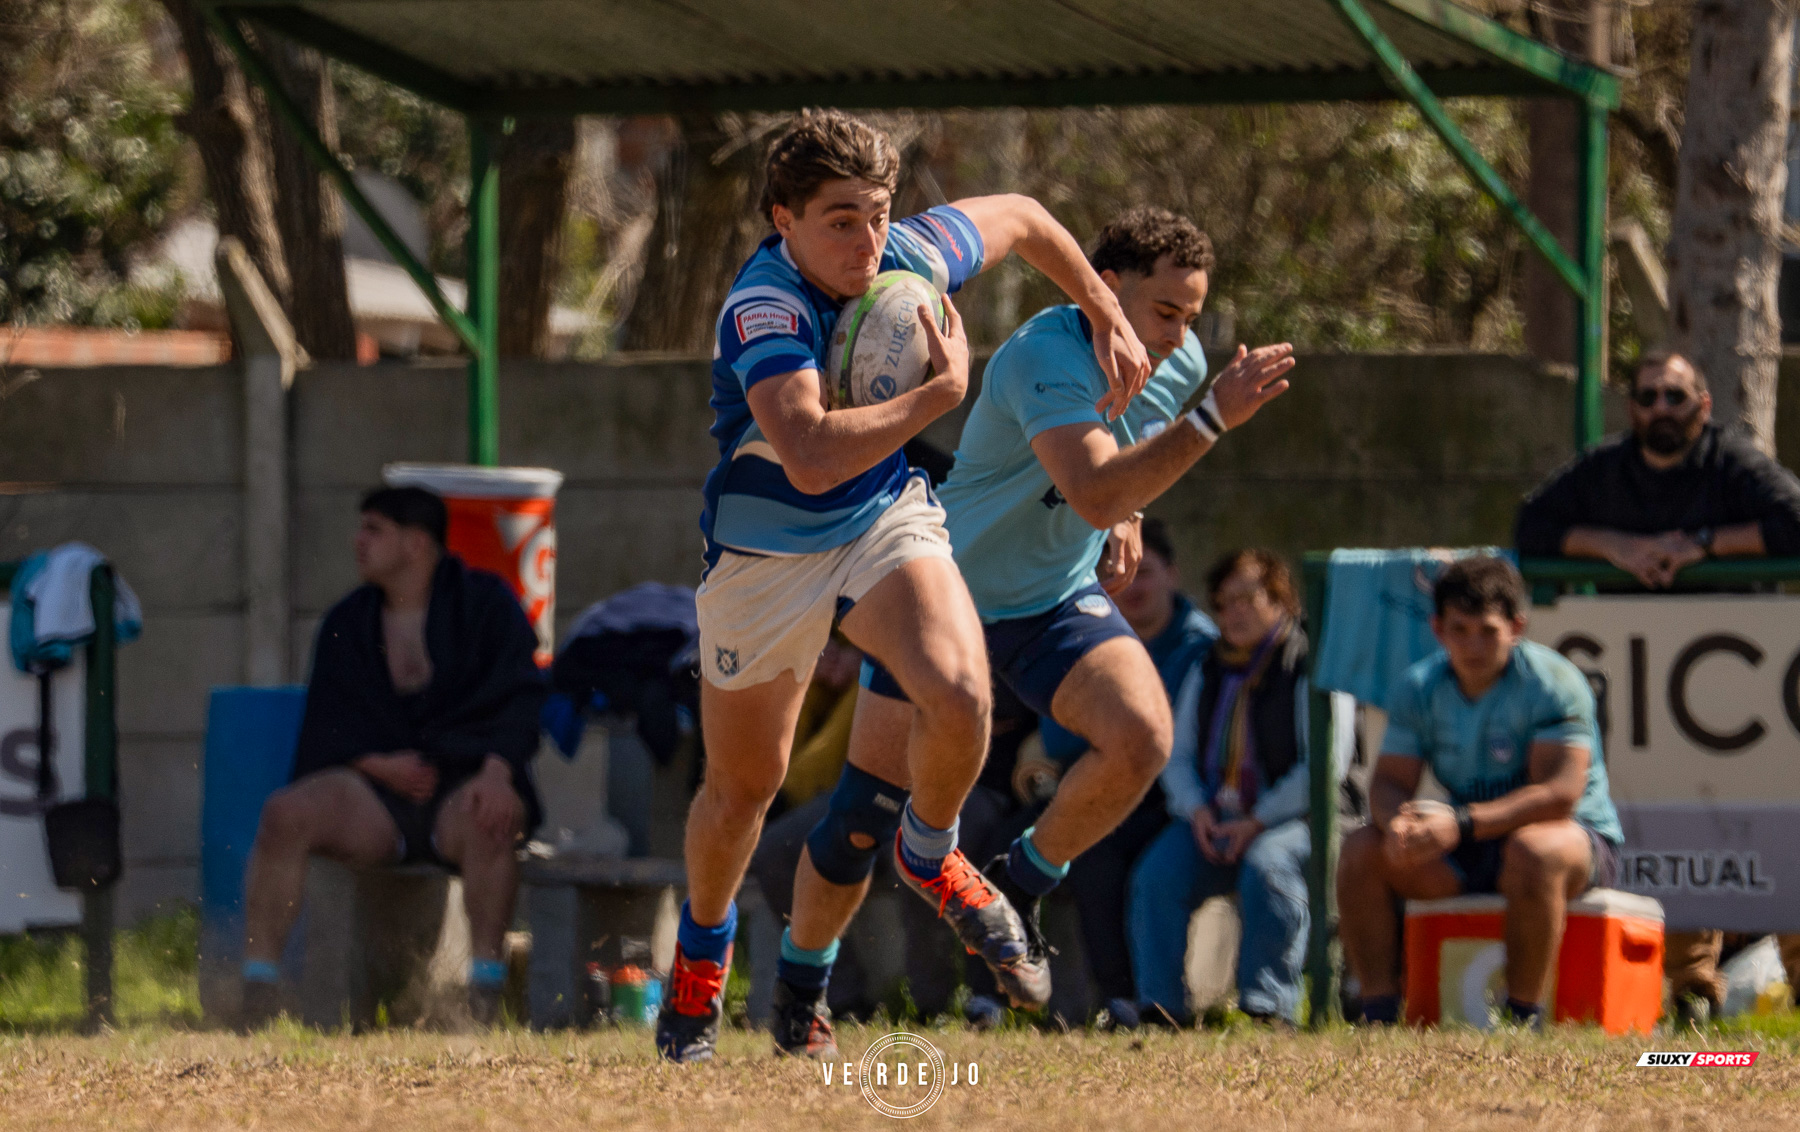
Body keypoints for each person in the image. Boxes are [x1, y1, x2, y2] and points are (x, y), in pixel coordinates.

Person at [664, 108, 1157, 1063]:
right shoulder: (764, 307)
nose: (867, 241)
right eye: (840, 220)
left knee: (961, 689)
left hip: (881, 518)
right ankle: (702, 951)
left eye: (879, 214)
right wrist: (939, 395)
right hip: (768, 550)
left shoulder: (910, 260)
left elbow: (1020, 213)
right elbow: (805, 454)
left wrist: (1101, 306)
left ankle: (929, 850)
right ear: (784, 221)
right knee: (743, 790)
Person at [788, 205, 1295, 1033]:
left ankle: (1015, 887)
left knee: (1141, 739)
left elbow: (1119, 463)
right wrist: (1203, 427)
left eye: (1192, 316)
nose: (1178, 336)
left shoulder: (1181, 356)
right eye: (1164, 311)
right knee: (858, 820)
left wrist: (1125, 515)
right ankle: (801, 992)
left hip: (1052, 596)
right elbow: (1095, 484)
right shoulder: (1043, 357)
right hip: (942, 597)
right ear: (1106, 290)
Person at [1515, 348, 1800, 1028]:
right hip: (1642, 703)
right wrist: (1612, 546)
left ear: (1704, 405)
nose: (1661, 409)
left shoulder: (1730, 463)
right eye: (1648, 397)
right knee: (1667, 839)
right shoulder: (1607, 468)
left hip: (1743, 698)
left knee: (1771, 838)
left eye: (1676, 396)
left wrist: (1702, 545)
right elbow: (1532, 527)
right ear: (1632, 407)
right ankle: (1689, 1002)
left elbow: (1794, 519)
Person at [239, 487, 546, 1027]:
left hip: (463, 785)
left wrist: (499, 773)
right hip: (376, 797)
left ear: (416, 544)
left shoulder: (486, 605)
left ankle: (485, 991)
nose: (358, 542)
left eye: (373, 530)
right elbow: (327, 726)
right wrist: (377, 765)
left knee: (494, 818)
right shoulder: (348, 620)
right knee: (284, 813)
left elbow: (521, 698)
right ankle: (258, 986)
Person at [1336, 555, 1623, 1028]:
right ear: (1437, 629)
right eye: (1459, 629)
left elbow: (1559, 794)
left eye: (1487, 630)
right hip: (1471, 839)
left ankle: (1520, 1021)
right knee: (1361, 849)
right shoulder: (1418, 687)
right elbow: (1388, 783)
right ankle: (1379, 1016)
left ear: (1517, 627)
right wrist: (1399, 826)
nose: (1472, 645)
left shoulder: (1555, 683)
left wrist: (1461, 822)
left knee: (1533, 850)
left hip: (1573, 839)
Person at [1127, 549, 1326, 1028]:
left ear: (1281, 599)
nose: (1233, 613)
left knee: (1268, 865)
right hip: (1216, 819)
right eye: (1222, 604)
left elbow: (1322, 768)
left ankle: (1269, 1006)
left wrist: (1257, 822)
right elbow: (1177, 756)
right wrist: (1197, 811)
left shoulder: (1308, 663)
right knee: (1156, 875)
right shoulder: (1208, 667)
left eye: (1246, 598)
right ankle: (1161, 1008)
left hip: (1297, 819)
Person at [1043, 518, 1216, 1029]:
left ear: (1173, 576)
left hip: (1179, 801)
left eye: (1144, 572)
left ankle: (1152, 1003)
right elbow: (1056, 738)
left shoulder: (1204, 647)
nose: (1131, 586)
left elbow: (1169, 744)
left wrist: (1106, 721)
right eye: (1116, 573)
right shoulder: (1081, 635)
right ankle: (1109, 1002)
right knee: (1042, 845)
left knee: (1123, 858)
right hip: (1105, 787)